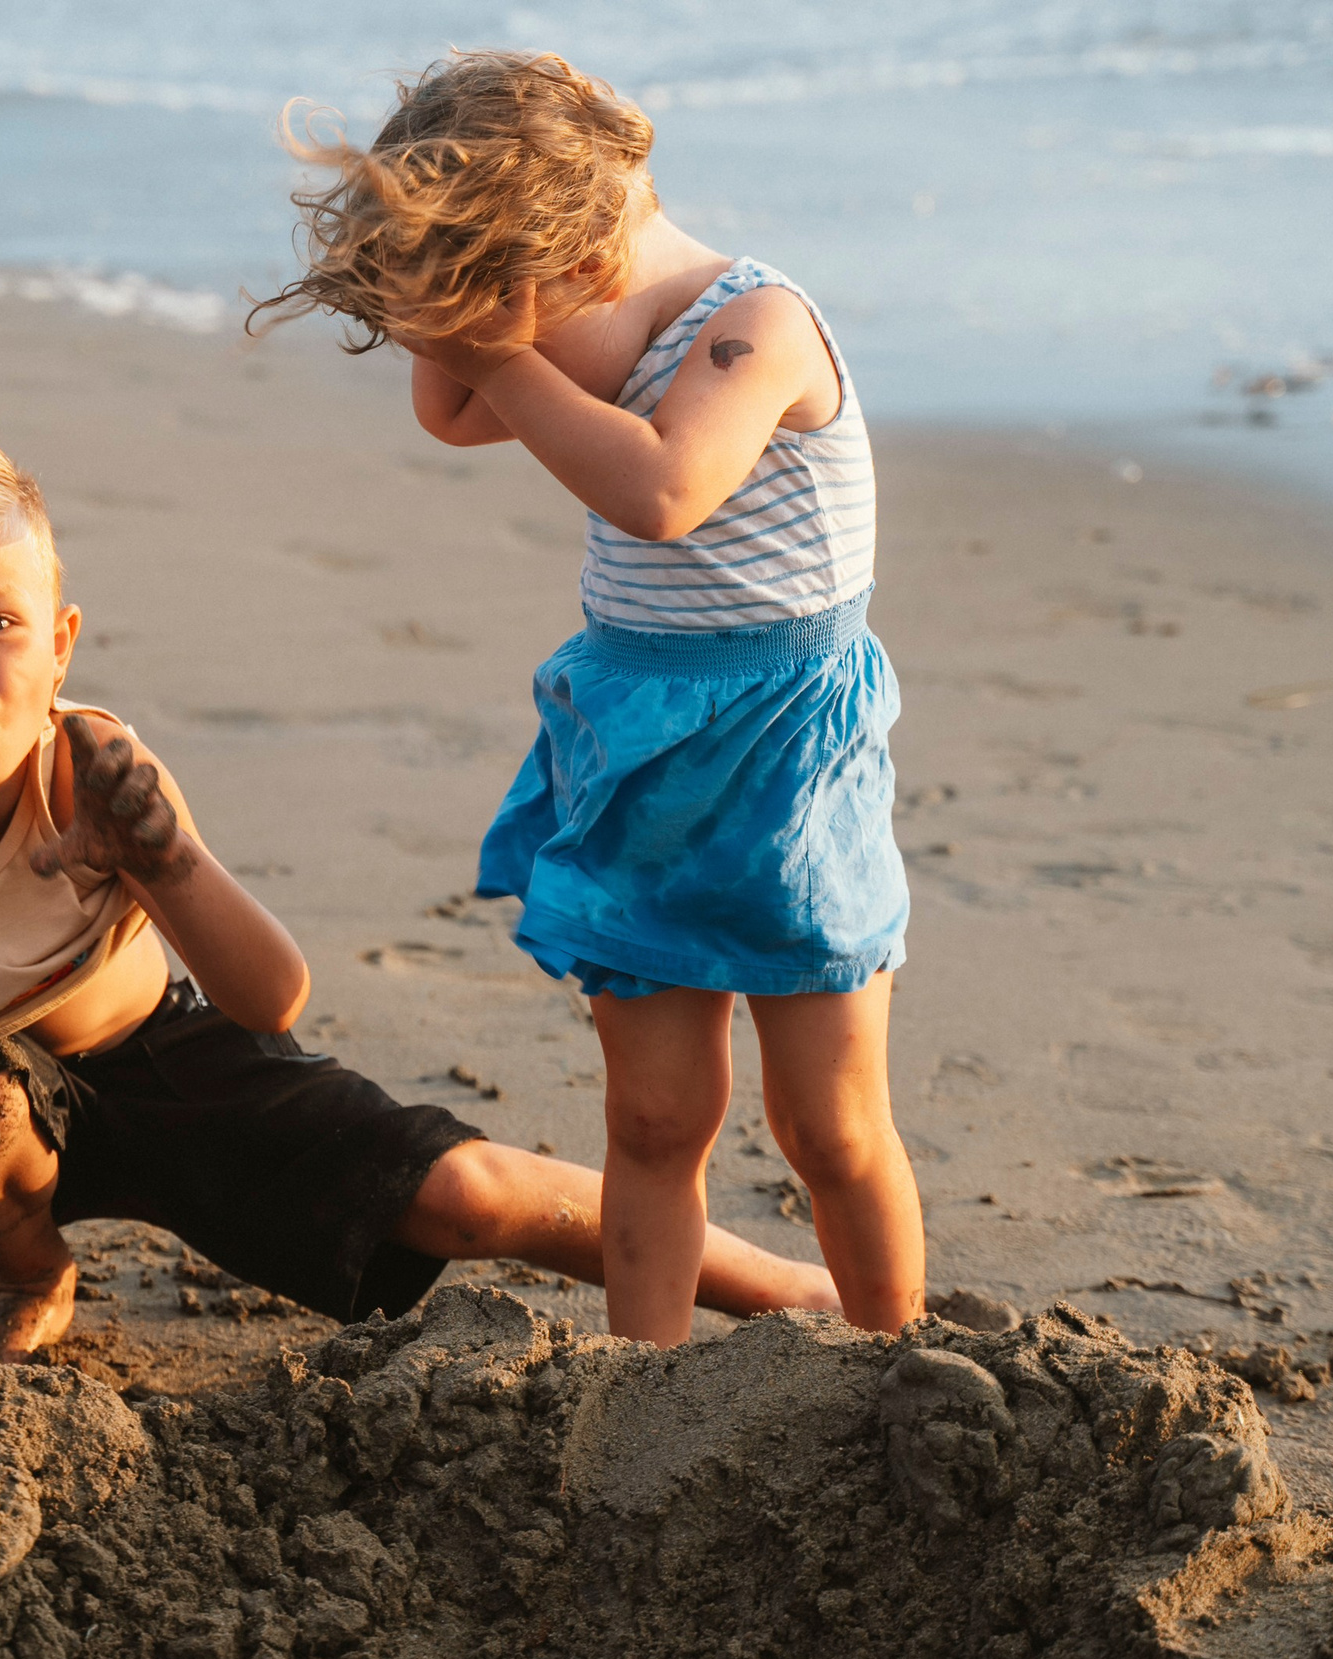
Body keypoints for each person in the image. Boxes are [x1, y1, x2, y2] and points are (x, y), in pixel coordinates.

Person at [0, 422, 838, 1391]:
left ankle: (776, 1281)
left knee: (465, 1197)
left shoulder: (94, 769)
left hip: (162, 1052)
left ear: (59, 647)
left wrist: (161, 858)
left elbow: (269, 997)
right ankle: (28, 1278)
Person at [253, 51, 926, 1346]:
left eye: (496, 317)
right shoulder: (561, 334)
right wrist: (461, 329)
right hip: (636, 744)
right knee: (654, 1118)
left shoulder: (757, 325)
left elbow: (666, 491)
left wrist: (503, 356)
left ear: (580, 256)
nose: (493, 364)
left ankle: (899, 1358)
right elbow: (453, 413)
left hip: (785, 751)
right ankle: (645, 1379)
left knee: (828, 1124)